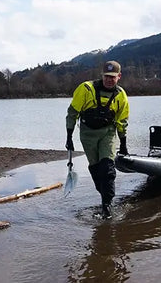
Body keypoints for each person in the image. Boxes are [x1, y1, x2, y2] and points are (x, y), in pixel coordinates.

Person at [65, 60, 130, 219]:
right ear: (102, 75)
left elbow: (122, 121)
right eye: (107, 76)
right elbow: (72, 113)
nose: (109, 80)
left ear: (119, 76)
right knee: (96, 170)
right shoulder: (86, 89)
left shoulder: (121, 95)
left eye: (113, 77)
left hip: (107, 133)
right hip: (87, 135)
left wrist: (123, 144)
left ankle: (107, 207)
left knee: (107, 169)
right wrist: (69, 137)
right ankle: (104, 198)